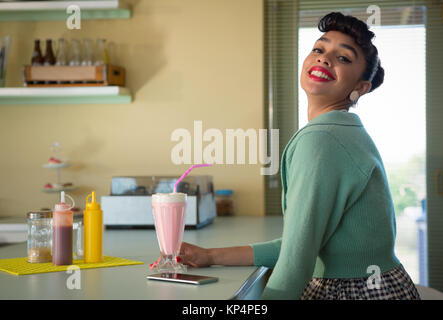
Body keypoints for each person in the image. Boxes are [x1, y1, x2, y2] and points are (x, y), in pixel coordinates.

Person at [153, 12, 421, 300]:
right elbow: (299, 244)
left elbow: (297, 260)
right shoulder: (345, 132)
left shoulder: (323, 139)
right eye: (319, 49)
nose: (324, 58)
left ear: (360, 88)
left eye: (343, 58)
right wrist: (210, 255)